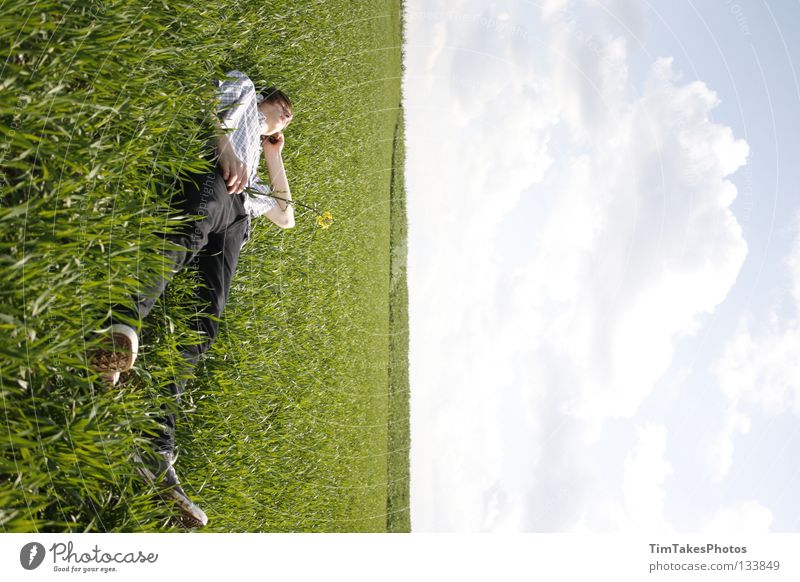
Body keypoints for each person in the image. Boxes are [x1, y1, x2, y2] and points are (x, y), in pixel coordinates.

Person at [91, 70, 294, 528]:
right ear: (268, 101)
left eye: (286, 125)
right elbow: (206, 93)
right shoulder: (244, 91)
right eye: (283, 111)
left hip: (240, 217)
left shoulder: (265, 161)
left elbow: (285, 216)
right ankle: (116, 327)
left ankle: (153, 444)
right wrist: (228, 149)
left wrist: (272, 154)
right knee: (185, 237)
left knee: (205, 323)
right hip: (221, 185)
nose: (285, 120)